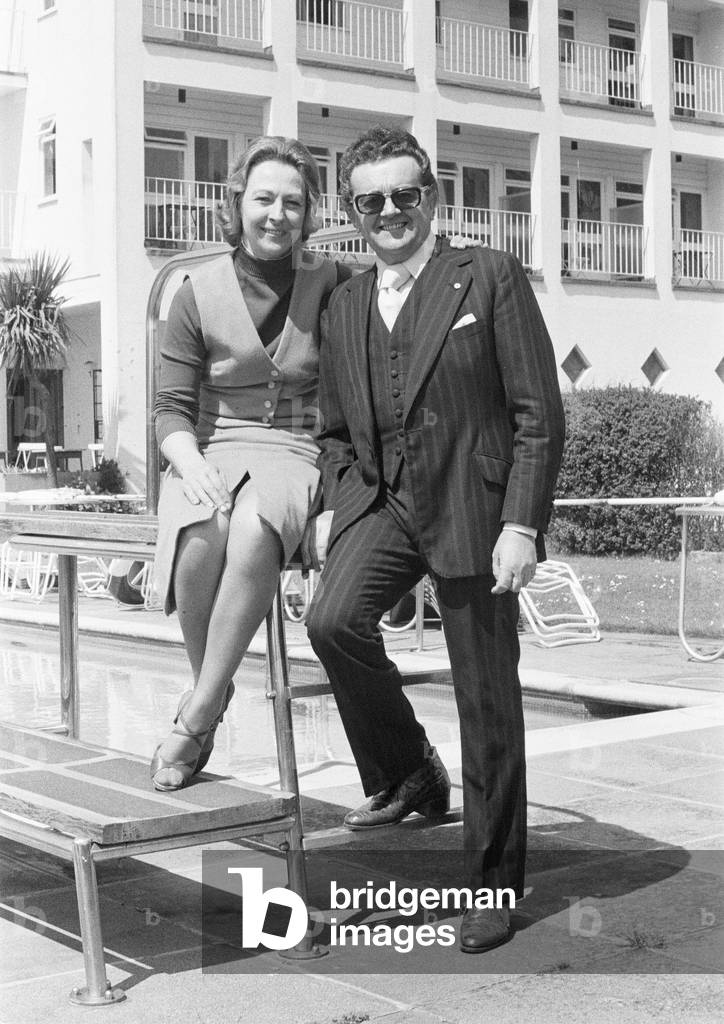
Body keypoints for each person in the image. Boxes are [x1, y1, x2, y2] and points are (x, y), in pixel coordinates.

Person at [305, 126, 565, 953]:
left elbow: (537, 414)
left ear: (432, 198)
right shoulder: (343, 304)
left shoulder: (487, 276)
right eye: (371, 200)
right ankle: (409, 768)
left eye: (404, 196)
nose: (390, 213)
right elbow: (337, 431)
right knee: (331, 621)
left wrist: (521, 522)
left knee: (486, 701)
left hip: (474, 510)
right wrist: (341, 511)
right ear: (352, 210)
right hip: (384, 507)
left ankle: (492, 888)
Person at [150, 136, 349, 791]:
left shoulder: (334, 283)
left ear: (309, 212)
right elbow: (171, 409)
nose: (277, 214)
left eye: (293, 202)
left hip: (295, 449)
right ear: (236, 204)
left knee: (255, 523)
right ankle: (216, 688)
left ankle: (199, 711)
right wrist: (188, 462)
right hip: (208, 447)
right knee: (199, 536)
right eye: (264, 198)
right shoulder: (193, 292)